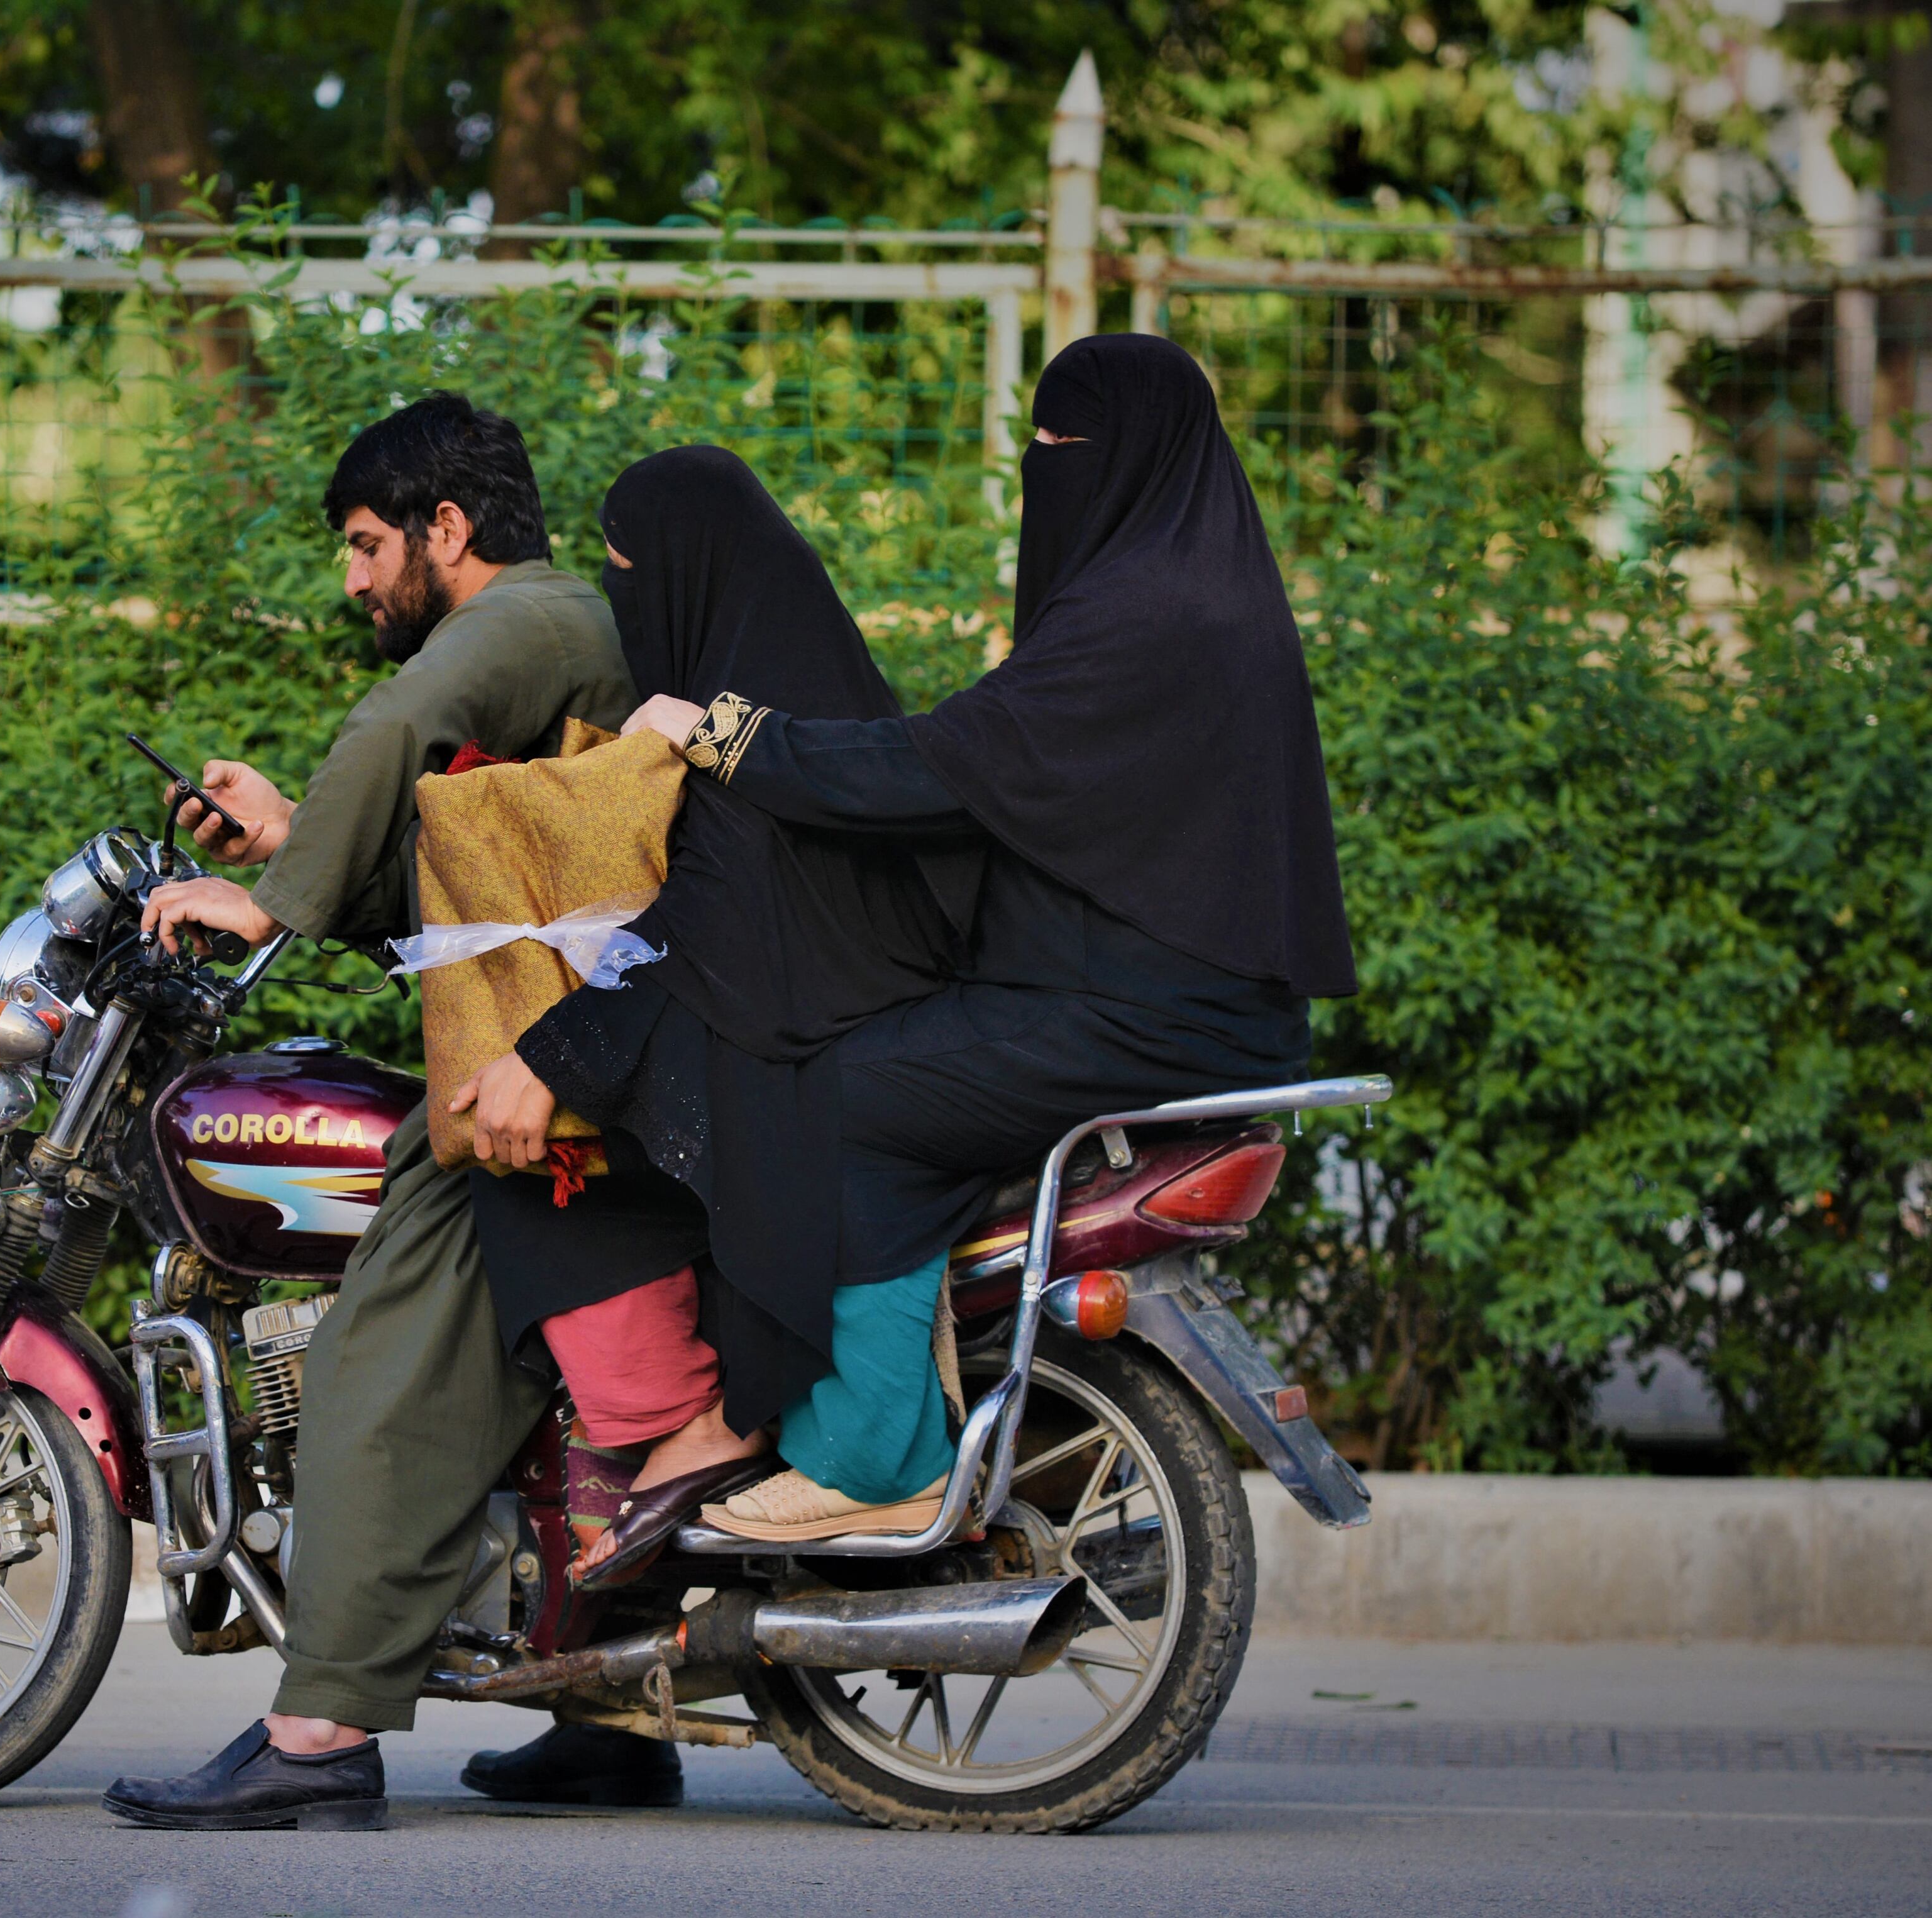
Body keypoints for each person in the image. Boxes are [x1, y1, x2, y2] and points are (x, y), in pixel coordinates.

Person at [651, 332, 1355, 1540]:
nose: (1041, 468)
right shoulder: (1202, 585)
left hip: (1144, 1016)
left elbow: (943, 765)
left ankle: (875, 1453)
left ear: (1122, 456)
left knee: (850, 1087)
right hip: (1177, 1000)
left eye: (1058, 445)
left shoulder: (1147, 614)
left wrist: (731, 738)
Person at [101, 392, 639, 1831]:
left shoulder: (523, 622)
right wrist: (291, 840)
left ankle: (320, 1731)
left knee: (366, 1379)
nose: (349, 580)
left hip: (542, 1090)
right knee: (557, 1405)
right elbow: (491, 895)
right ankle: (602, 1715)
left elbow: (396, 722)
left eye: (361, 545)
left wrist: (267, 902)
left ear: (443, 530)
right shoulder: (564, 638)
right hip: (576, 1053)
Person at [453, 446, 974, 1588]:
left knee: (549, 1180)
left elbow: (708, 926)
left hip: (803, 1054)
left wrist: (554, 1056)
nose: (630, 592)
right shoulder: (779, 682)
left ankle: (700, 1426)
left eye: (633, 570)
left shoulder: (756, 722)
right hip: (797, 1027)